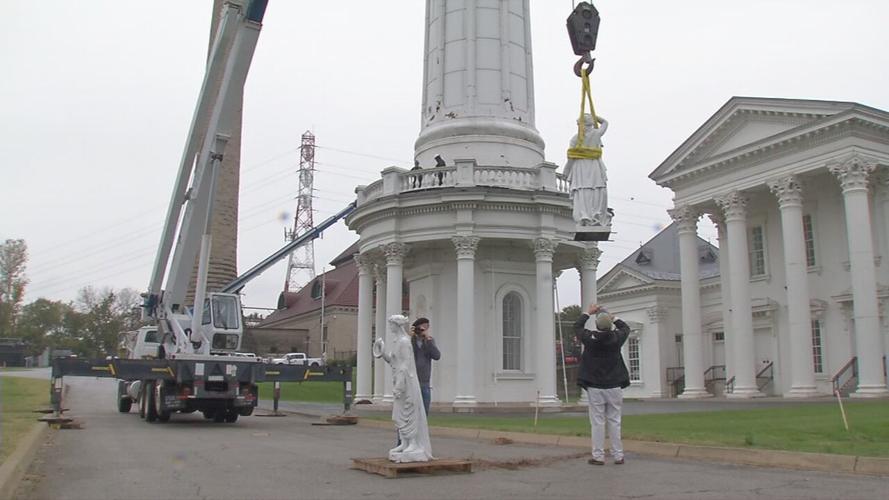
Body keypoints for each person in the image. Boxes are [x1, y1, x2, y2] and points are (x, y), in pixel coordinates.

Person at [574, 303, 630, 465]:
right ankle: (618, 455)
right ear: (610, 325)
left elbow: (577, 326)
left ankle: (598, 456)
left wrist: (588, 313)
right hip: (614, 386)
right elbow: (625, 327)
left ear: (597, 325)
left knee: (597, 422)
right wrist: (612, 317)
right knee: (615, 420)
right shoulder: (616, 338)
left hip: (595, 386)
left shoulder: (589, 338)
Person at [373, 315, 433, 462]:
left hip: (407, 381)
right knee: (399, 414)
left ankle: (413, 443)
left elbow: (405, 364)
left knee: (409, 412)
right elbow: (394, 361)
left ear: (397, 325)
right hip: (399, 380)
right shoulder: (398, 341)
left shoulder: (405, 342)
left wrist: (400, 384)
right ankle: (404, 443)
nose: (390, 328)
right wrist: (382, 353)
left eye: (391, 325)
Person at [564, 113, 610, 227]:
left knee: (586, 190)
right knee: (592, 189)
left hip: (583, 165)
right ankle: (592, 215)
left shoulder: (577, 138)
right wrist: (595, 117)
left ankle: (587, 215)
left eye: (579, 124)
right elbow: (605, 122)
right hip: (591, 165)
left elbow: (570, 157)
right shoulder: (596, 134)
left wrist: (566, 170)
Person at [409, 317, 440, 416]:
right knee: (412, 410)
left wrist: (428, 341)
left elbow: (437, 356)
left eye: (426, 327)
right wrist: (412, 336)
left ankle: (422, 430)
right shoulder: (410, 341)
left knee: (424, 410)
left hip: (424, 381)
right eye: (422, 328)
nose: (424, 330)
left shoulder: (429, 341)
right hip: (411, 380)